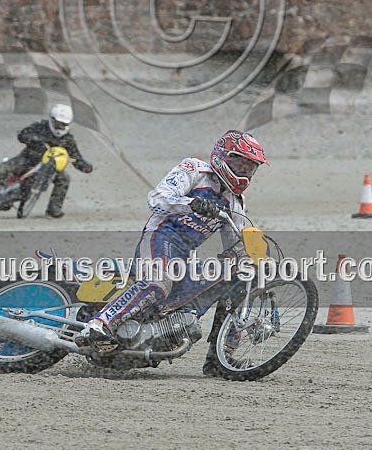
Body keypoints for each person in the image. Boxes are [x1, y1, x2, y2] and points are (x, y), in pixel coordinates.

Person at [78, 130, 269, 377]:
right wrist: (191, 204)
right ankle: (98, 324)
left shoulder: (235, 201)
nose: (243, 170)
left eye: (250, 167)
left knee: (237, 277)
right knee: (158, 283)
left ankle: (220, 360)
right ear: (223, 155)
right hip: (160, 236)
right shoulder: (194, 170)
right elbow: (156, 198)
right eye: (239, 162)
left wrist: (252, 257)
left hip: (184, 255)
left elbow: (234, 242)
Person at [0, 104, 93, 219]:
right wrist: (33, 139)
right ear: (52, 120)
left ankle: (54, 210)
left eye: (64, 125)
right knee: (3, 170)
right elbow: (22, 134)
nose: (60, 127)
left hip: (50, 167)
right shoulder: (40, 127)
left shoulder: (68, 140)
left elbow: (76, 157)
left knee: (64, 178)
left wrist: (84, 166)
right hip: (27, 160)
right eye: (58, 123)